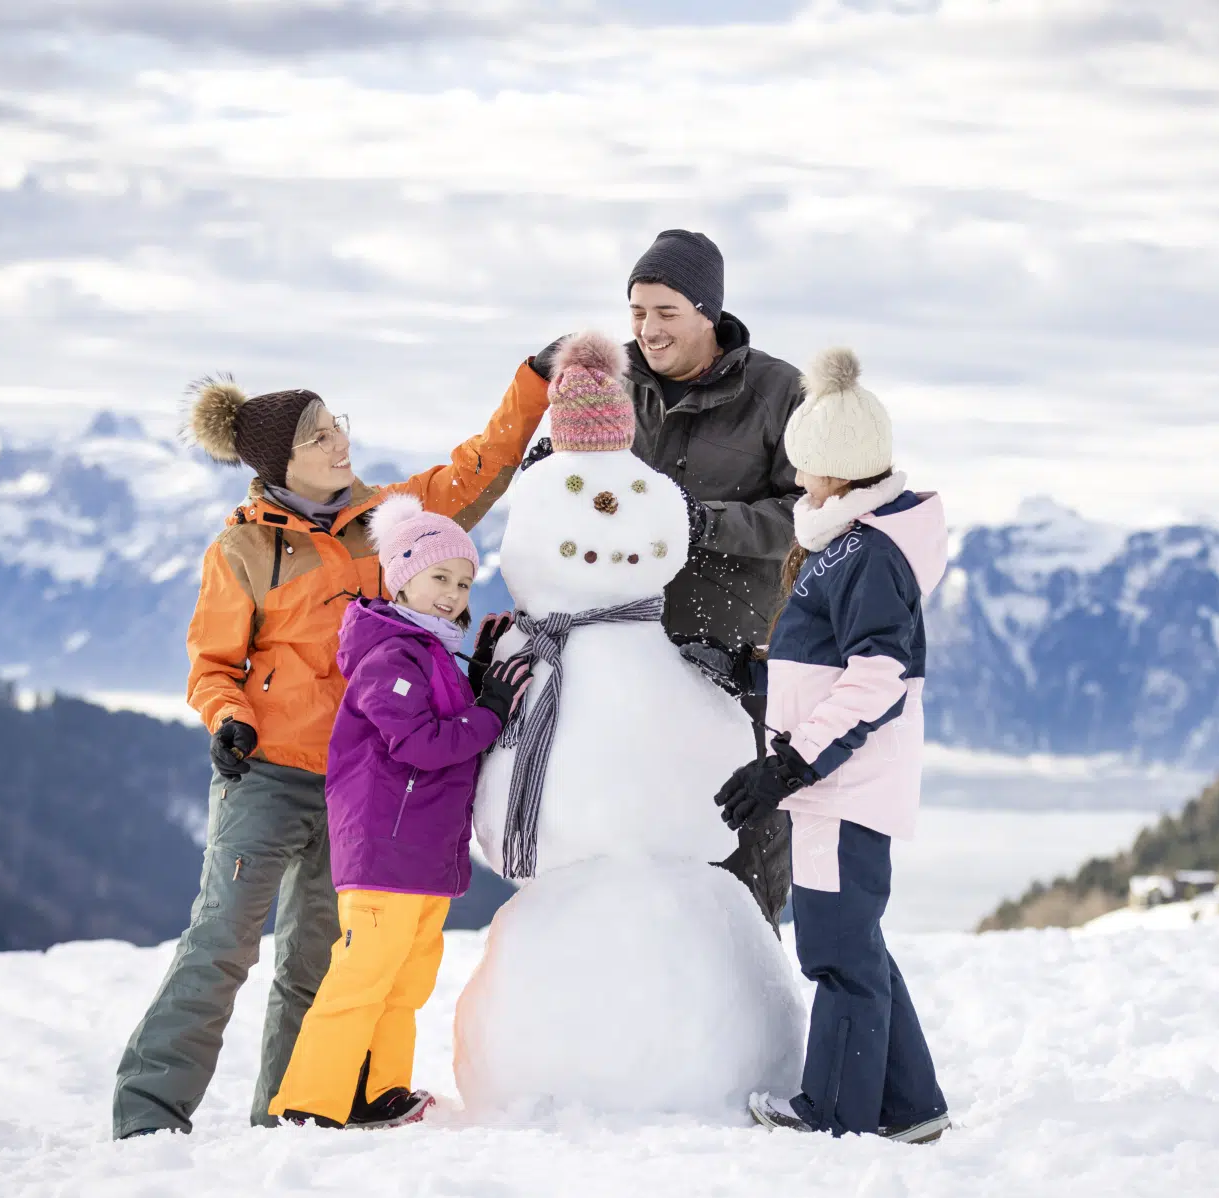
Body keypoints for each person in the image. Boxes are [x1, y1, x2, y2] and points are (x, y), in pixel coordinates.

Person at [112, 356, 549, 1139]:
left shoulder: (389, 519)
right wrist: (228, 719)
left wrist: (536, 381)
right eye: (319, 435)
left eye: (336, 422)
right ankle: (148, 1117)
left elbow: (475, 470)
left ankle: (288, 1118)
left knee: (319, 960)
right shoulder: (242, 551)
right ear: (282, 461)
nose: (339, 440)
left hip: (362, 786)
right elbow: (213, 665)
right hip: (267, 775)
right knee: (221, 944)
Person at [715, 347, 953, 1145]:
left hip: (841, 787)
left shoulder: (868, 554)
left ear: (837, 474)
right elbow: (828, 665)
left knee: (838, 955)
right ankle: (912, 1106)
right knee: (860, 948)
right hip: (836, 782)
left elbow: (876, 677)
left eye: (805, 473)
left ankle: (836, 1114)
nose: (799, 486)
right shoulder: (851, 540)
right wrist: (753, 672)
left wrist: (791, 761)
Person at [268, 495, 531, 1129]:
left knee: (405, 983)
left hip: (424, 852)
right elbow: (422, 743)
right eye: (439, 578)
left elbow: (447, 721)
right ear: (401, 577)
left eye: (463, 582)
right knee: (362, 977)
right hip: (385, 850)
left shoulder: (432, 651)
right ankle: (310, 1104)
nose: (452, 593)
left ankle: (379, 1090)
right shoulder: (391, 654)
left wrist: (482, 678)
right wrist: (490, 708)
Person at [623, 228, 803, 927]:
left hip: (742, 659)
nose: (647, 329)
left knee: (746, 861)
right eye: (637, 311)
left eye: (665, 311)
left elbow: (807, 514)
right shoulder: (613, 386)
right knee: (640, 848)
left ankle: (755, 1021)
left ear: (707, 311)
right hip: (633, 655)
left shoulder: (781, 392)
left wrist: (703, 523)